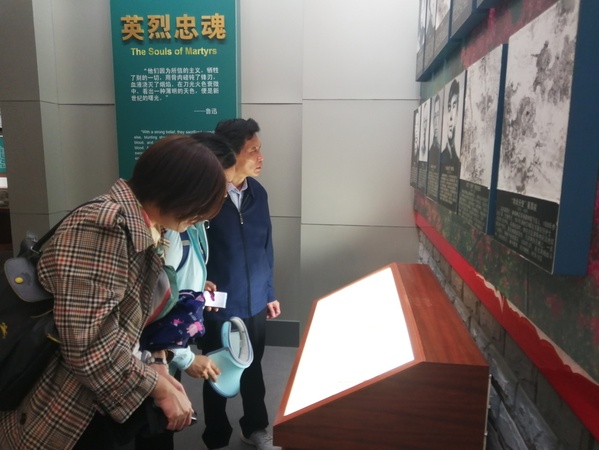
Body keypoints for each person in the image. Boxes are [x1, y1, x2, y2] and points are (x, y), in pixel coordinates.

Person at [0, 135, 227, 450]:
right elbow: (88, 343)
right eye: (199, 208)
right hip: (64, 403)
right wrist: (158, 386)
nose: (199, 219)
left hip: (90, 393)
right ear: (176, 192)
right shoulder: (103, 228)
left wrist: (154, 364)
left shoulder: (139, 225)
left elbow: (120, 322)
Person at [135, 132, 237, 450]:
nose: (220, 199)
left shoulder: (184, 224)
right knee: (150, 433)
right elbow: (132, 326)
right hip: (143, 359)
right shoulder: (137, 231)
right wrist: (181, 358)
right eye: (218, 188)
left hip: (158, 353)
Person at [200, 118, 282, 450]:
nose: (261, 157)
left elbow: (266, 246)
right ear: (230, 154)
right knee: (215, 368)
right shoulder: (206, 197)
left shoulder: (258, 193)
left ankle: (255, 427)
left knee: (253, 366)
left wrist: (269, 292)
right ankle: (216, 437)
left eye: (260, 149)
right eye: (253, 150)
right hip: (216, 303)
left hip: (255, 300)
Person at [441, 79, 461, 175]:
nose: (451, 116)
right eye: (449, 108)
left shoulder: (458, 160)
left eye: (454, 106)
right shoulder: (442, 158)